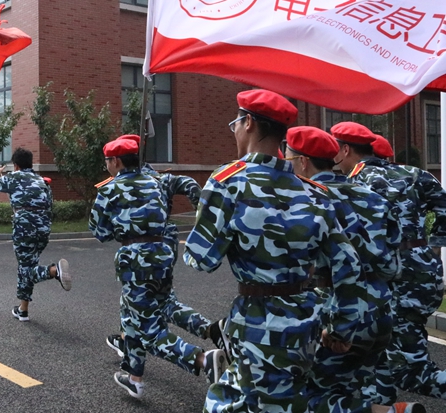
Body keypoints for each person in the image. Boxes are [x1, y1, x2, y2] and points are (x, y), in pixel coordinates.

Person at [184, 89, 364, 413]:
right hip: (306, 323)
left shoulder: (227, 182)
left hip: (257, 326)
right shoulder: (316, 192)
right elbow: (348, 264)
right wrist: (341, 329)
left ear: (248, 123)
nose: (235, 132)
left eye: (235, 125)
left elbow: (200, 259)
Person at [284, 126, 420, 413]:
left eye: (288, 158)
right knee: (352, 389)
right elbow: (394, 256)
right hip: (380, 310)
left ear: (303, 162)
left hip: (336, 310)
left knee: (304, 397)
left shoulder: (307, 198)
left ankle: (393, 412)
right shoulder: (370, 195)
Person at [90, 136, 226, 399]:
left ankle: (202, 360)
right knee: (136, 314)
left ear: (116, 161)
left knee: (148, 331)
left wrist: (123, 227)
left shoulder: (109, 189)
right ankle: (135, 378)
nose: (107, 165)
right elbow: (189, 185)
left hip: (135, 263)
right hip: (163, 255)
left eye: (107, 161)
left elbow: (100, 232)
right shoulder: (157, 181)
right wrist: (201, 216)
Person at [332, 121, 446, 406]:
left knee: (410, 371)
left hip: (393, 280)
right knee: (380, 358)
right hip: (424, 269)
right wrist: (433, 246)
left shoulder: (352, 185)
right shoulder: (414, 173)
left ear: (345, 150)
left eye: (335, 150)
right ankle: (384, 405)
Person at [0, 147, 71, 322]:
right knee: (28, 266)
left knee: (26, 269)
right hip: (43, 229)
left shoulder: (13, 177)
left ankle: (54, 271)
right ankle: (23, 310)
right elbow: (49, 206)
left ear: (16, 165)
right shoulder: (42, 181)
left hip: (25, 229)